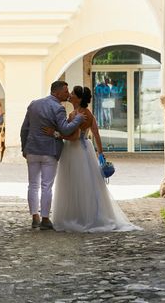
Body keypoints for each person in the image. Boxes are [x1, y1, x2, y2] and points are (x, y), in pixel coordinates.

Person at [44, 85, 140, 233]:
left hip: (75, 150)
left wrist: (56, 134)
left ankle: (78, 217)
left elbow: (75, 137)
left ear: (79, 98)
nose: (70, 95)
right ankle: (83, 214)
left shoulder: (77, 115)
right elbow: (95, 132)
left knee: (76, 183)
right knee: (85, 183)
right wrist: (100, 153)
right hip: (84, 149)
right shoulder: (87, 113)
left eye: (72, 94)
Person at [20, 81, 87, 230]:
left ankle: (34, 217)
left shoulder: (33, 104)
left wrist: (24, 147)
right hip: (49, 151)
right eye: (65, 91)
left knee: (33, 185)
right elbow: (66, 129)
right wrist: (78, 119)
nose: (68, 94)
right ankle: (45, 218)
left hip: (32, 150)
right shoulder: (58, 108)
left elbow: (25, 128)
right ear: (56, 93)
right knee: (46, 186)